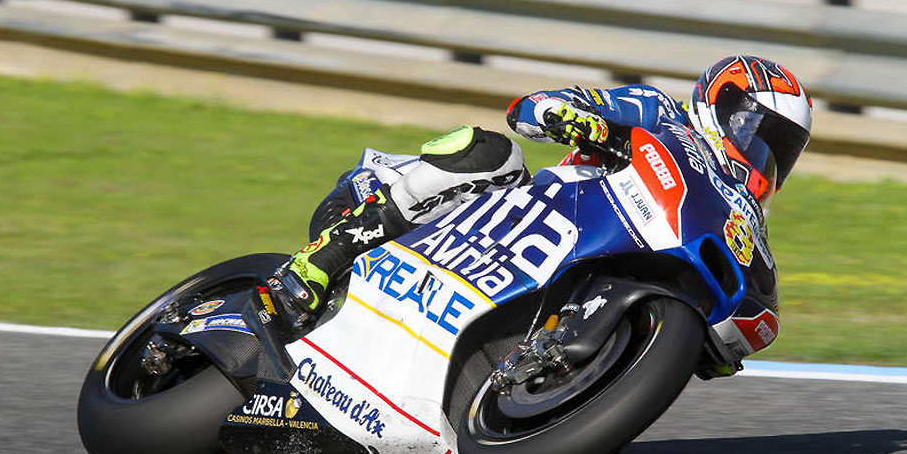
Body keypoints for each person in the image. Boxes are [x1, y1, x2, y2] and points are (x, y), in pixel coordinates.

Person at [269, 55, 813, 331]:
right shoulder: (657, 112)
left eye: (780, 148)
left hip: (570, 269)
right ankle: (327, 257)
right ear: (721, 102)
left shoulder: (736, 217)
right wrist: (573, 117)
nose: (765, 152)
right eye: (758, 131)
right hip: (517, 218)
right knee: (491, 155)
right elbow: (532, 108)